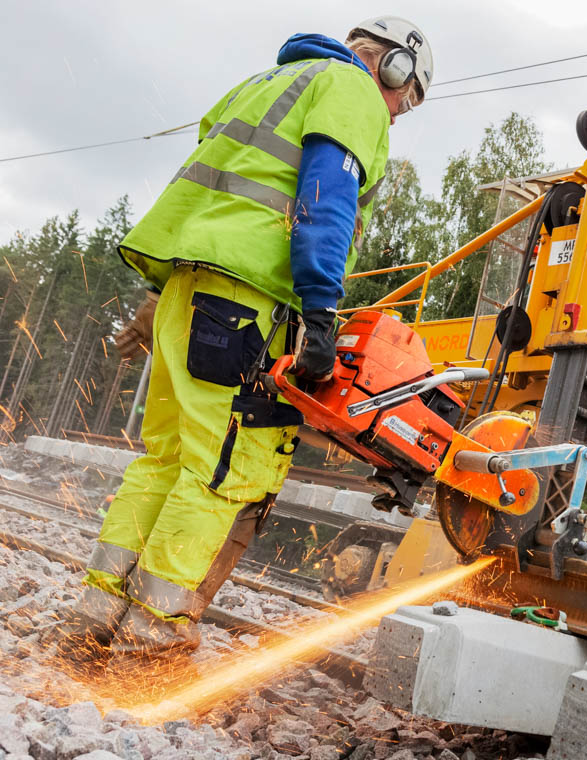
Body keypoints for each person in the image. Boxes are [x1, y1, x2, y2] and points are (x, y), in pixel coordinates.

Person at [64, 16, 433, 659]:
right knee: (225, 469)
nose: (399, 115)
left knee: (170, 458)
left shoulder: (264, 84)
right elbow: (327, 200)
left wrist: (158, 296)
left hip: (188, 288)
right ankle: (149, 636)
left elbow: (206, 194)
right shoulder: (350, 91)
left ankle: (98, 610)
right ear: (393, 68)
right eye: (408, 97)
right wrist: (320, 311)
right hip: (247, 297)